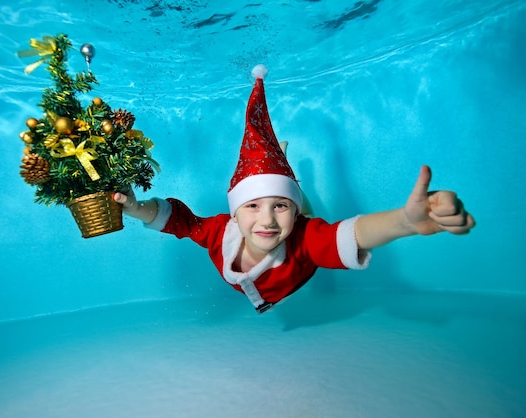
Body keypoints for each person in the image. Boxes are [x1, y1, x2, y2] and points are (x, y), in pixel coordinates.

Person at [113, 65, 476, 313]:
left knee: (309, 217)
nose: (267, 220)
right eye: (252, 206)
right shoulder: (218, 231)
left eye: (278, 206)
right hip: (283, 222)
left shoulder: (304, 240)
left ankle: (290, 182)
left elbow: (346, 236)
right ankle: (287, 177)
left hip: (300, 265)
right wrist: (134, 207)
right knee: (298, 208)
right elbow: (179, 221)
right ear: (234, 215)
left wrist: (405, 222)